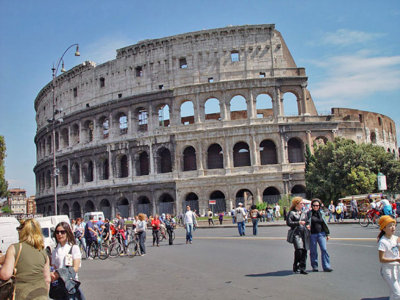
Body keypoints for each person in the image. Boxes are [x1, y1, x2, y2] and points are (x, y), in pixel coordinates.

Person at [0, 218, 50, 299]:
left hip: (21, 295)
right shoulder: (43, 252)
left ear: (22, 231)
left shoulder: (14, 248)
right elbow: (47, 279)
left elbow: (5, 275)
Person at [50, 222, 85, 300]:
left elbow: (75, 268)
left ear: (67, 233)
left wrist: (59, 273)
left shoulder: (74, 248)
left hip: (70, 284)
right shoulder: (55, 250)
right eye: (57, 232)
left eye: (62, 232)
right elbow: (53, 267)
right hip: (58, 285)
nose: (59, 234)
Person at [377, 215, 400, 299]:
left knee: (393, 294)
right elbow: (381, 259)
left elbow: (398, 253)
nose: (393, 227)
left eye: (393, 225)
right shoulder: (383, 242)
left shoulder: (396, 238)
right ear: (384, 229)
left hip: (397, 268)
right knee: (398, 294)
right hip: (388, 270)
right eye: (390, 226)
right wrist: (396, 259)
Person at [307, 199, 333, 272]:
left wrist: (327, 234)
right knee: (313, 251)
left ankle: (326, 266)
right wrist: (307, 225)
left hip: (321, 234)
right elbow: (306, 221)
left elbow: (324, 224)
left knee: (324, 249)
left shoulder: (321, 213)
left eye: (317, 205)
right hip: (312, 234)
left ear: (319, 206)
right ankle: (314, 266)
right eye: (314, 205)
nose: (315, 207)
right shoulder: (309, 213)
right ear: (312, 206)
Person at [287, 197, 310, 275]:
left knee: (304, 250)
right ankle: (296, 264)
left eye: (303, 203)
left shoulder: (304, 212)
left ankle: (302, 268)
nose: (303, 204)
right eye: (301, 203)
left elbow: (307, 221)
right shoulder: (291, 213)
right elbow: (289, 223)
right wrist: (298, 222)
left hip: (304, 233)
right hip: (296, 233)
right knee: (299, 250)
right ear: (296, 204)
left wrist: (308, 225)